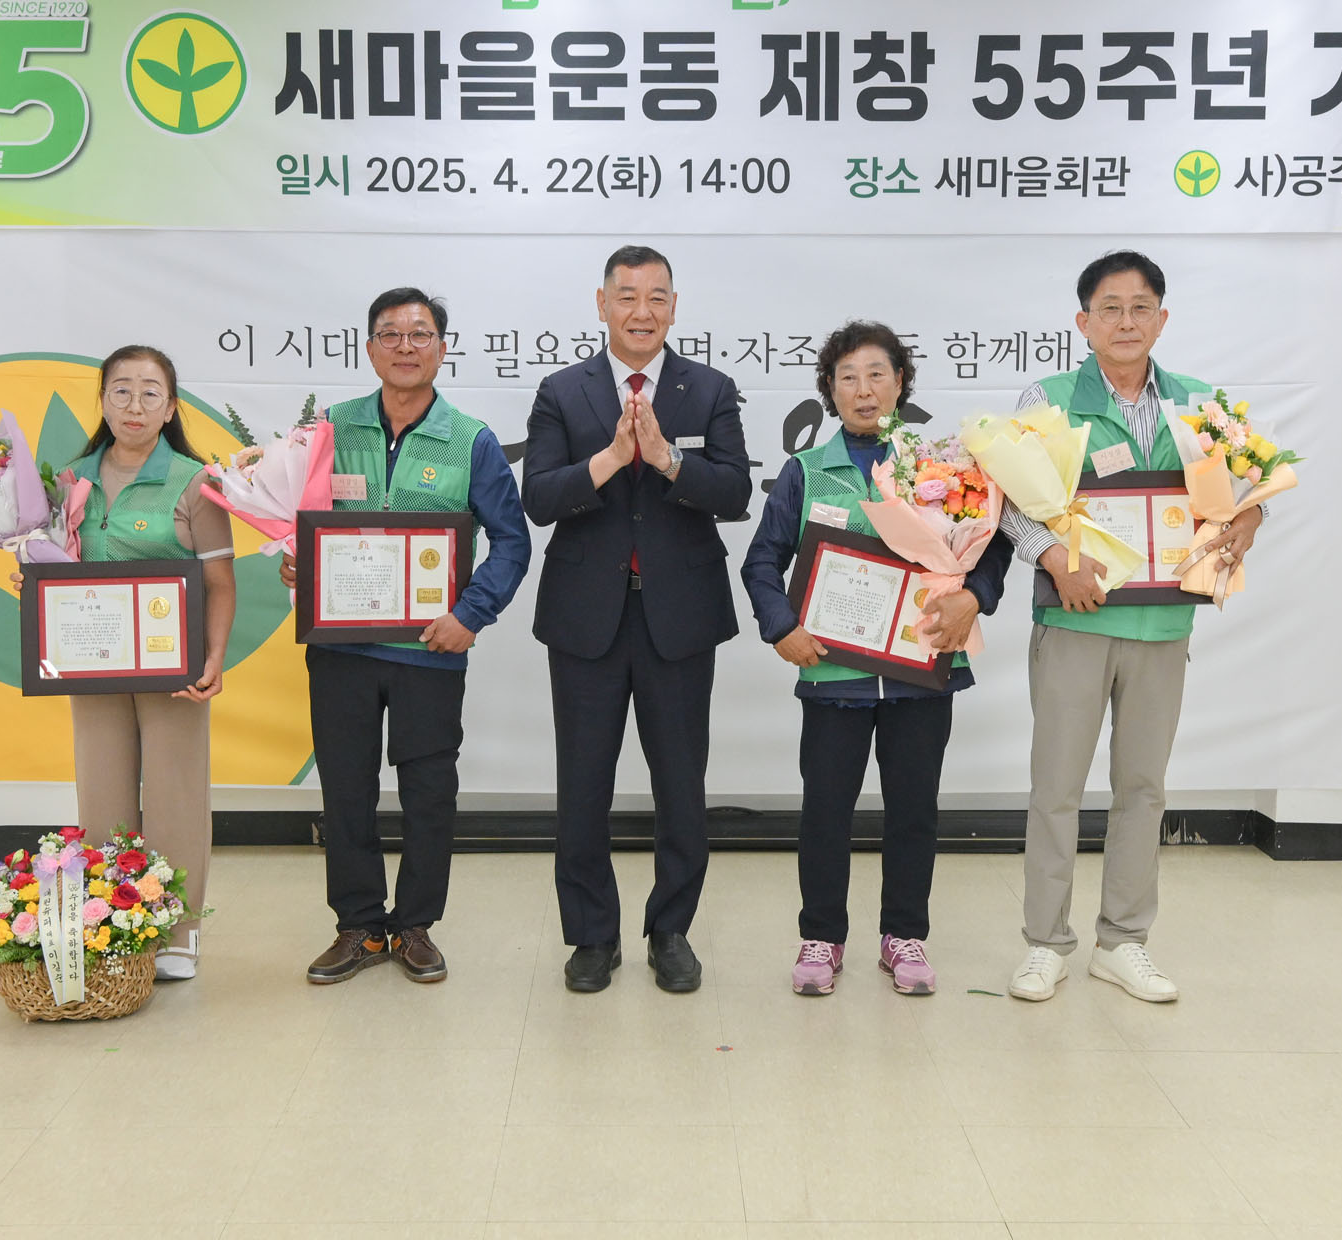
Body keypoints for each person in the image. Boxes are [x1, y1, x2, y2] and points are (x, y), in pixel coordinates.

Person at [998, 251, 1265, 1005]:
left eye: (1140, 307)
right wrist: (1055, 559)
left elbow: (1243, 492)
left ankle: (1123, 941)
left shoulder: (1200, 405)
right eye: (1109, 308)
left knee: (1143, 789)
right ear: (1083, 322)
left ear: (1162, 319)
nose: (1125, 321)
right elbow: (1010, 501)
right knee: (1056, 787)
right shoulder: (1049, 399)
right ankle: (1045, 943)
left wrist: (1248, 520)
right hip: (1076, 617)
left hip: (1162, 624)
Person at [742, 321, 1010, 996]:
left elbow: (993, 545)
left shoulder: (940, 465)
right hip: (833, 674)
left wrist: (974, 598)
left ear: (901, 382)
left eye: (876, 375)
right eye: (848, 378)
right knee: (825, 812)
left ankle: (904, 937)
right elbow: (762, 561)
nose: (863, 390)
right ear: (830, 390)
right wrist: (782, 628)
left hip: (922, 669)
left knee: (914, 810)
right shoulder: (807, 471)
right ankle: (821, 938)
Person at [281, 288, 530, 986]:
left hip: (430, 650)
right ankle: (359, 926)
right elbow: (294, 521)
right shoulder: (329, 430)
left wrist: (470, 615)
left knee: (428, 791)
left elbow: (512, 542)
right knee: (346, 789)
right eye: (390, 334)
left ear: (442, 348)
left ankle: (416, 925)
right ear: (369, 348)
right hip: (341, 648)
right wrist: (295, 561)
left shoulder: (472, 440)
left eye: (420, 334)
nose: (405, 346)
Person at [522, 245, 752, 993]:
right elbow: (539, 499)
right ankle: (592, 936)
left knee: (681, 785)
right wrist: (611, 459)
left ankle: (671, 930)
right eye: (627, 296)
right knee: (582, 785)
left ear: (674, 308)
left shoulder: (709, 389)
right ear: (602, 305)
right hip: (585, 618)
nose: (642, 311)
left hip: (678, 618)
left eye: (657, 297)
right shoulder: (563, 391)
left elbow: (735, 494)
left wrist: (666, 460)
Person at [60, 345, 235, 981]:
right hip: (93, 663)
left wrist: (213, 658)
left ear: (170, 408)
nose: (135, 405)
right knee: (100, 792)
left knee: (175, 794)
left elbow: (220, 582)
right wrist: (36, 585)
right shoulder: (69, 479)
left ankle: (178, 932)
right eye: (122, 391)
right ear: (103, 400)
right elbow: (55, 565)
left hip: (173, 668)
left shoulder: (196, 481)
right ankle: (112, 924)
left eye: (150, 393)